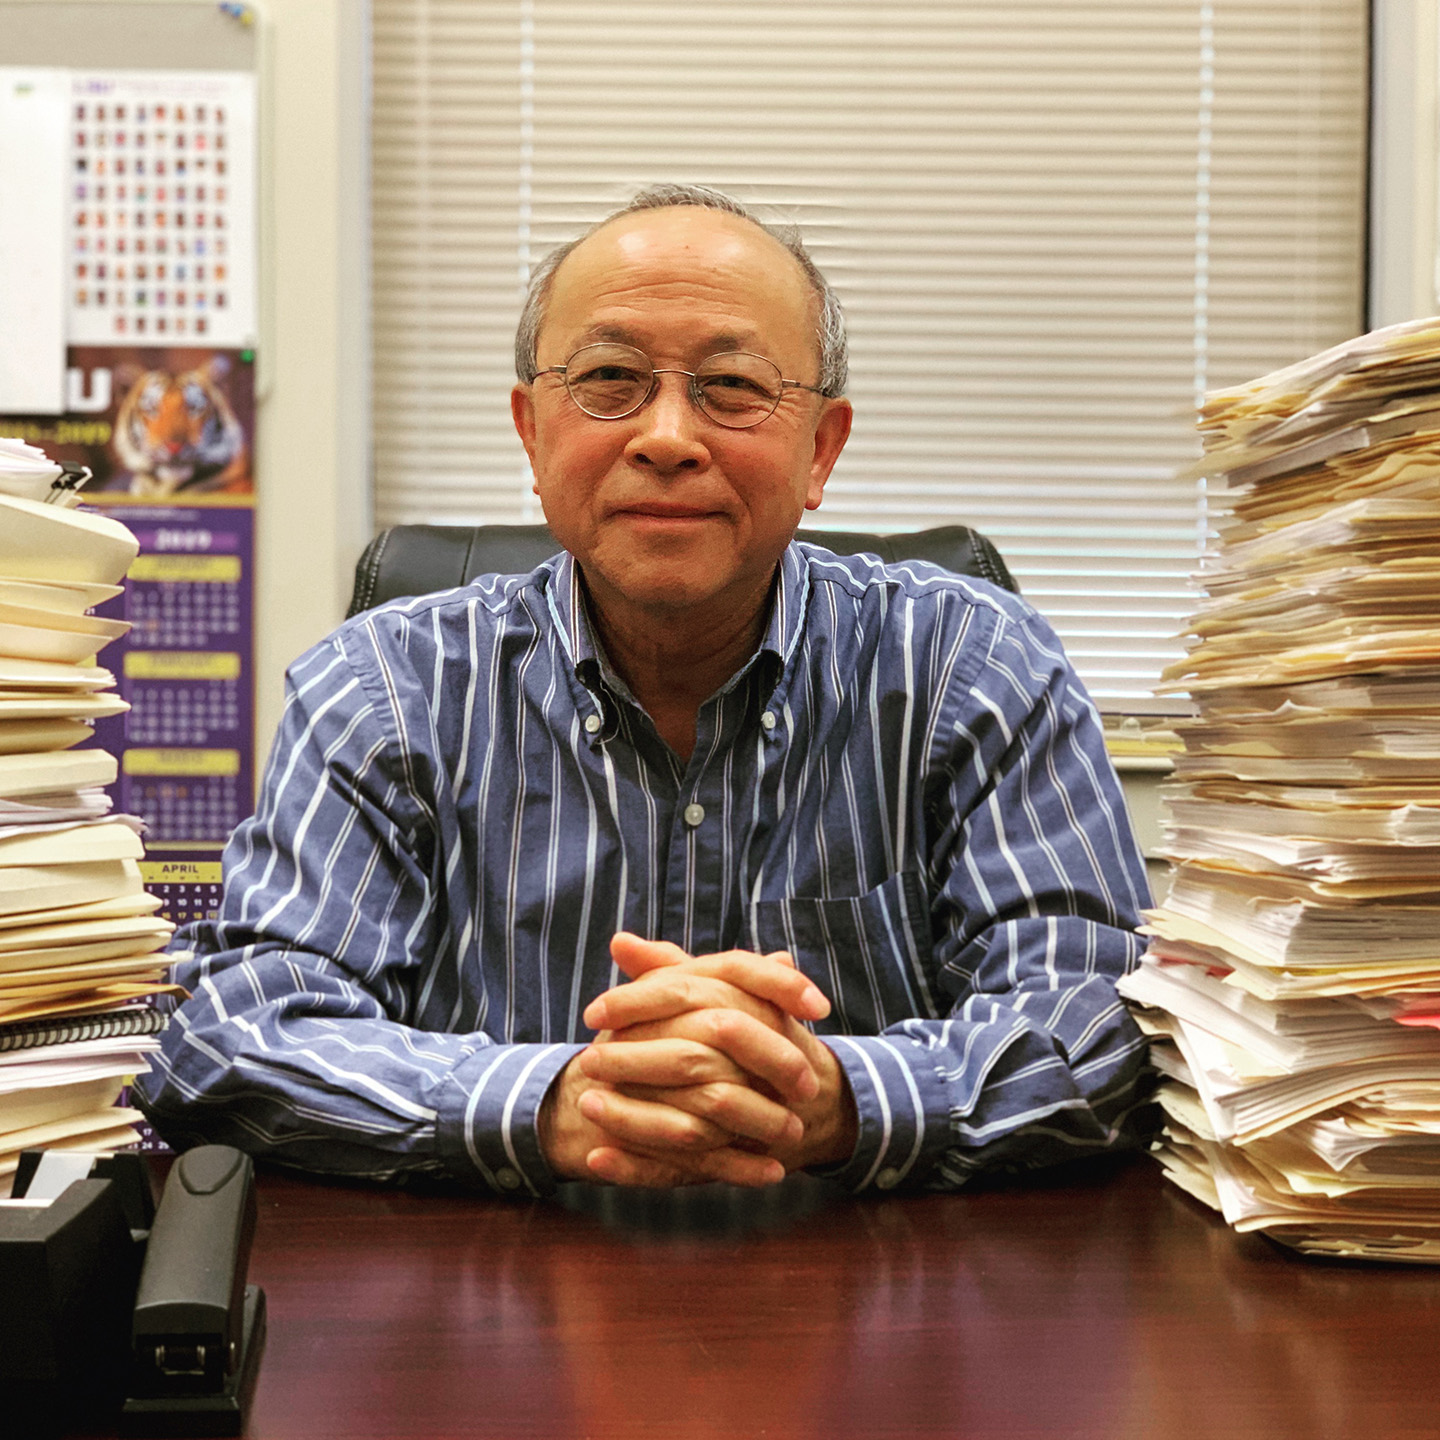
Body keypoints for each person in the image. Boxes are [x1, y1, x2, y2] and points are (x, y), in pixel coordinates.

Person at [135, 184, 1153, 1195]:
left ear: (821, 450)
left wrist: (839, 1094)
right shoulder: (383, 688)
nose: (666, 435)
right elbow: (232, 1031)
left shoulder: (972, 667)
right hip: (487, 1317)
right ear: (532, 435)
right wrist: (552, 1102)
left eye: (732, 387)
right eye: (611, 377)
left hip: (893, 1315)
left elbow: (1100, 1026)